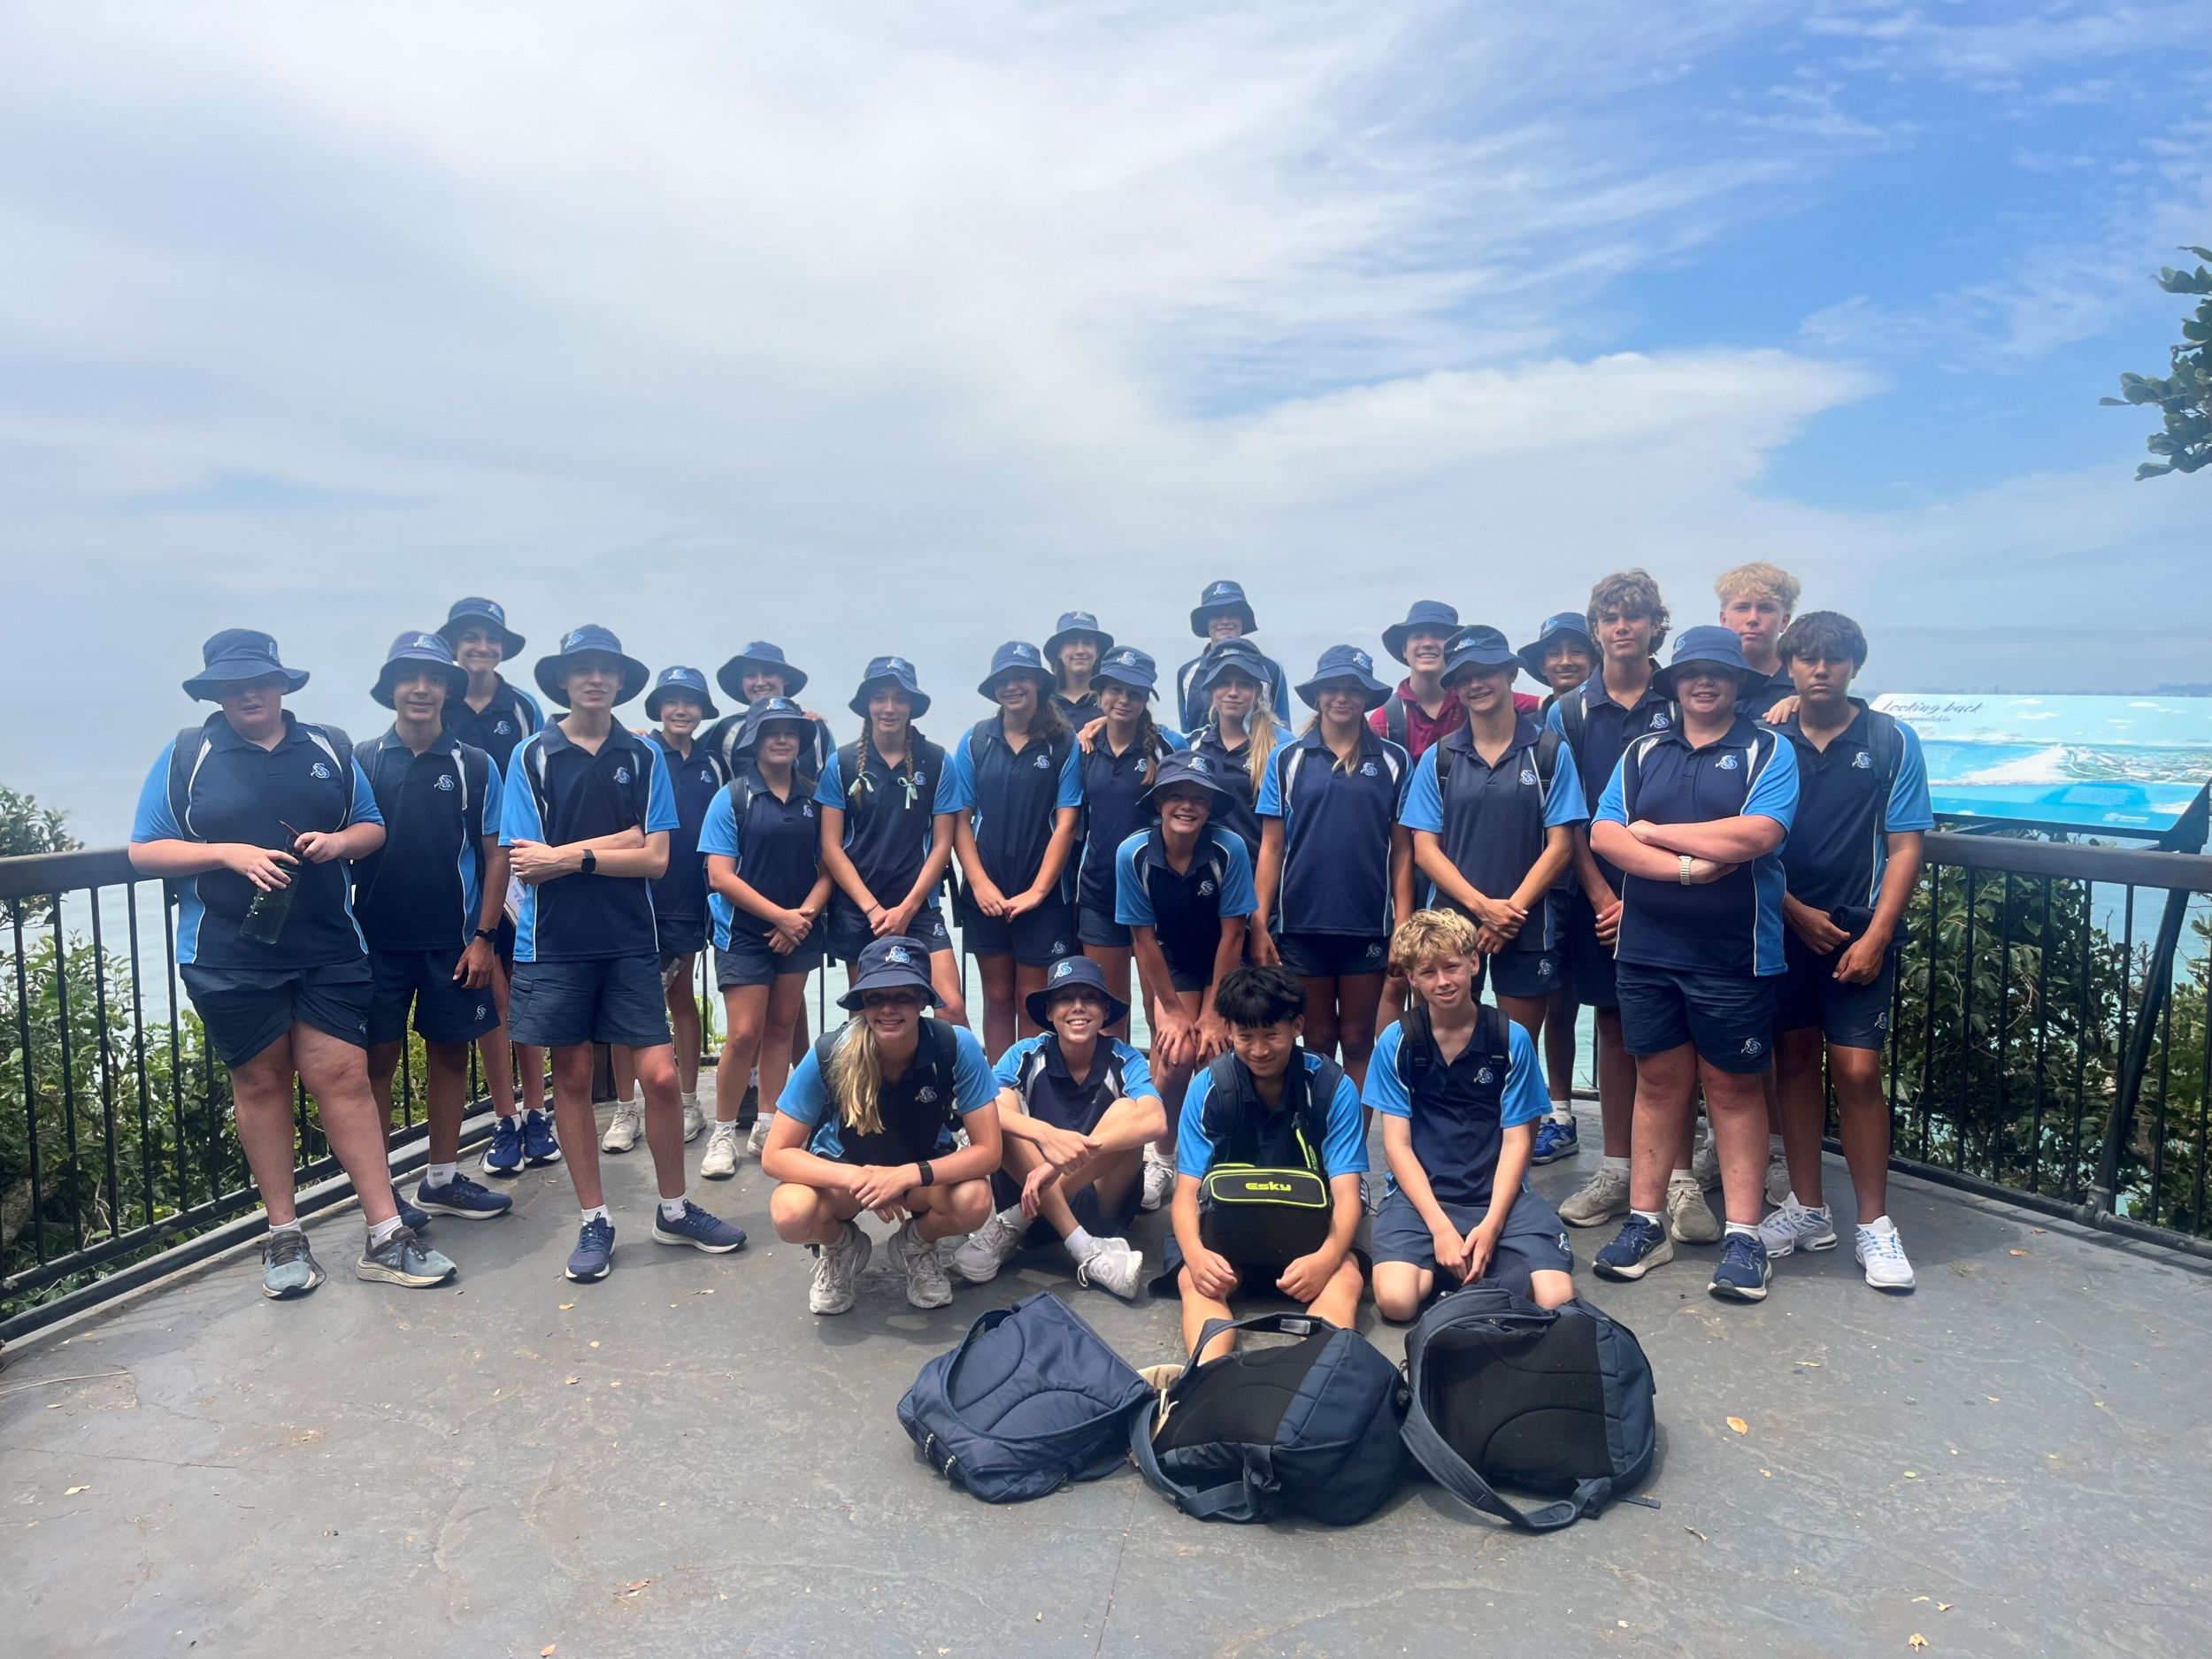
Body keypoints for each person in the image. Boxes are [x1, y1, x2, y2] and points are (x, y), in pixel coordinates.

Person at [128, 629, 457, 1296]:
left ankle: (387, 1233)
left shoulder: (329, 747)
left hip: (328, 945)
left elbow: (371, 825)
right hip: (227, 952)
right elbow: (145, 848)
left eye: (259, 681)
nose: (248, 693)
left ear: (282, 685)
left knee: (345, 1076)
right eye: (232, 685)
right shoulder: (188, 755)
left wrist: (338, 843)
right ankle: (283, 1234)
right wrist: (227, 854)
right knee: (261, 1083)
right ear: (215, 694)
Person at [501, 626, 746, 1282]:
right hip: (553, 943)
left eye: (605, 669)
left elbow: (657, 858)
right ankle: (595, 1220)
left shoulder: (642, 757)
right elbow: (526, 861)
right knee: (575, 1078)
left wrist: (572, 855)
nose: (595, 679)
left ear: (618, 681)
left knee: (661, 1077)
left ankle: (674, 1208)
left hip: (632, 939)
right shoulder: (531, 755)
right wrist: (618, 843)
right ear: (563, 680)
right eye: (582, 668)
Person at [1588, 626, 1799, 1303]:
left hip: (1735, 950)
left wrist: (1656, 833)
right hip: (1647, 948)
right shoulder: (1642, 751)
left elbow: (1759, 832)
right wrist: (1687, 868)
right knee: (1657, 1083)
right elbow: (1604, 834)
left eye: (1718, 672)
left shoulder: (1768, 749)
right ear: (1674, 683)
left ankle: (1745, 1236)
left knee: (1733, 1088)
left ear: (1739, 682)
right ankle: (1646, 1222)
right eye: (1691, 672)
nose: (1704, 682)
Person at [1759, 612, 1932, 1291]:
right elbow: (1750, 840)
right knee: (1795, 1058)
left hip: (1861, 932)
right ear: (1790, 666)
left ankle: (1874, 1223)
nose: (1820, 668)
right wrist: (1792, 911)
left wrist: (1878, 935)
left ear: (1854, 664)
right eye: (1807, 657)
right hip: (1784, 926)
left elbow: (1906, 844)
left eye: (1834, 657)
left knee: (1859, 1072)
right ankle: (1807, 1206)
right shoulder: (1769, 739)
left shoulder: (1890, 740)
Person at [354, 633, 514, 1228]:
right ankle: (380, 1193)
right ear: (390, 688)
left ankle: (442, 1179)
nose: (420, 689)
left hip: (455, 943)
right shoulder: (363, 760)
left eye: (433, 679)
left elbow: (496, 855)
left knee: (450, 1054)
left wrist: (485, 938)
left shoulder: (476, 765)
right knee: (376, 1062)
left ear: (448, 689)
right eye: (408, 678)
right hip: (375, 943)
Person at [762, 937, 1002, 1314]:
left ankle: (917, 1243)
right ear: (862, 1003)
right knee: (790, 1211)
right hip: (846, 1179)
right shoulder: (829, 1051)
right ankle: (841, 1245)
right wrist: (862, 1179)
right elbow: (775, 1154)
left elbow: (989, 1152)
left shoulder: (954, 1046)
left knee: (974, 1200)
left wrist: (905, 1176)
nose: (888, 1008)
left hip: (920, 1177)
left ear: (923, 1000)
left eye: (902, 996)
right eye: (876, 998)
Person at [1545, 571, 1678, 1233]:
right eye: (1611, 617)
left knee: (1678, 1033)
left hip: (1676, 892)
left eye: (1635, 616)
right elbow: (1564, 815)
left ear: (1657, 625)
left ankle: (1677, 1178)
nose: (1623, 627)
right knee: (1616, 1027)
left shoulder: (1680, 697)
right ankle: (1619, 1169)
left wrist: (1657, 889)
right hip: (1596, 898)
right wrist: (1602, 896)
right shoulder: (1568, 712)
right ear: (1597, 629)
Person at [1365, 910, 1576, 1320]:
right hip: (1423, 1195)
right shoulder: (1397, 1041)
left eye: (1452, 967)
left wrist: (1493, 1224)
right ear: (1411, 978)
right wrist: (1440, 1228)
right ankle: (1474, 1269)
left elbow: (1518, 1142)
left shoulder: (1509, 1039)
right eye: (1428, 973)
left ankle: (1477, 1262)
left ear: (1474, 963)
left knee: (1556, 1298)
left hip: (1496, 1192)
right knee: (1396, 1301)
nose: (1443, 982)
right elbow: (1397, 1146)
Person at [1163, 965, 1366, 1362]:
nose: (1259, 1050)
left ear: (1297, 1027)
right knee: (1195, 1281)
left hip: (1313, 1234)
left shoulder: (1332, 1087)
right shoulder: (1207, 1088)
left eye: (1271, 1035)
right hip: (1226, 1233)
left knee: (1346, 1276)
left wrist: (1326, 1259)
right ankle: (1207, 1375)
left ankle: (1319, 1377)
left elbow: (1347, 1193)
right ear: (1229, 1031)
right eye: (1245, 1036)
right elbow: (1186, 1191)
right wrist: (1196, 1255)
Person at [1398, 626, 1585, 1039]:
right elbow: (1425, 849)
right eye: (1464, 678)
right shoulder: (1439, 759)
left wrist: (1509, 913)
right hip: (1449, 923)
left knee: (1515, 1047)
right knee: (1444, 1046)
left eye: (1485, 672)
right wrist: (1483, 908)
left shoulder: (1549, 752)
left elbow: (1560, 846)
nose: (1475, 684)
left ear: (1511, 674)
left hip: (1528, 921)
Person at [949, 955, 1165, 1298]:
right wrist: (1044, 1134)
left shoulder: (1124, 1057)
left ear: (1106, 1010)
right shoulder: (1027, 1053)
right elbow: (977, 1106)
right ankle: (1083, 1247)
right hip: (1027, 1190)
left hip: (1091, 1205)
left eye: (1090, 997)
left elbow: (1156, 1120)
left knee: (1129, 1110)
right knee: (1001, 1099)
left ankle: (1012, 1223)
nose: (1078, 1007)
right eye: (1065, 998)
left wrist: (1057, 1164)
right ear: (1049, 1012)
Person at [1253, 646, 1414, 1094]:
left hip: (1368, 924)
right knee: (1317, 1039)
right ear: (1317, 695)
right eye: (1332, 688)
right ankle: (1321, 1134)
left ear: (1367, 698)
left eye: (1353, 689)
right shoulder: (1287, 759)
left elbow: (1403, 850)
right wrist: (1259, 923)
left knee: (1360, 1041)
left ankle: (1354, 1137)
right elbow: (1271, 847)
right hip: (1302, 923)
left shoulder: (1395, 760)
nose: (1342, 697)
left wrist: (1403, 925)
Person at [435, 596, 557, 1174]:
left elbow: (547, 768)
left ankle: (537, 1111)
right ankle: (504, 1117)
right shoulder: (442, 700)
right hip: (466, 866)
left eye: (490, 639)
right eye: (471, 638)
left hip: (521, 863)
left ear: (503, 648)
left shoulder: (524, 707)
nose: (481, 648)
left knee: (525, 989)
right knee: (491, 993)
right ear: (455, 646)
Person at [1114, 750, 1259, 1211]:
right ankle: (1160, 1156)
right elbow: (1142, 939)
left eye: (1199, 798)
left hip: (1224, 958)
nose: (1187, 805)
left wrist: (1214, 1015)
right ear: (1159, 803)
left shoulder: (1229, 849)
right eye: (1176, 795)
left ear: (1210, 807)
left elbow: (1233, 934)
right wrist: (1175, 1013)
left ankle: (1221, 1158)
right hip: (1172, 960)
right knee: (1176, 1054)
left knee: (1218, 1051)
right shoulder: (1133, 853)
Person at [697, 696, 834, 1180]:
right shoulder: (732, 797)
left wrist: (801, 919)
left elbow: (829, 867)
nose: (781, 739)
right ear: (754, 740)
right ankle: (722, 1132)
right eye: (771, 731)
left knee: (781, 1027)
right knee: (743, 1033)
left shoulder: (816, 798)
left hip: (799, 930)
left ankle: (769, 1124)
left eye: (790, 732)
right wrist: (781, 918)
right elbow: (720, 875)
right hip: (743, 934)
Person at [603, 666, 726, 1154]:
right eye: (672, 701)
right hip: (635, 897)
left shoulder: (714, 765)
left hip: (688, 901)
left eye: (691, 702)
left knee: (680, 996)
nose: (681, 710)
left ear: (702, 711)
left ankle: (690, 1102)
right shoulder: (638, 752)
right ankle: (625, 1109)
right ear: (658, 708)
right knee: (624, 1005)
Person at [817, 656, 970, 1036]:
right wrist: (872, 909)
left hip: (919, 908)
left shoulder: (938, 761)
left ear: (912, 705)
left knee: (951, 1008)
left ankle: (954, 1077)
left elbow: (942, 844)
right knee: (867, 1017)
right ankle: (870, 1080)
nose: (889, 708)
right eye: (880, 698)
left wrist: (907, 909)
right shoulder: (841, 763)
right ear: (867, 704)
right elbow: (831, 847)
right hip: (858, 909)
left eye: (899, 698)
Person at [945, 641, 1082, 1057]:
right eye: (1004, 680)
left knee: (1032, 999)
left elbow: (1066, 822)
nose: (1012, 686)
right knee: (998, 997)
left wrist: (1038, 891)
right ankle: (1000, 1089)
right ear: (994, 688)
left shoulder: (1064, 742)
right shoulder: (975, 740)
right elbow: (960, 819)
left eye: (1021, 677)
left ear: (1039, 683)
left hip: (1044, 896)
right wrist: (979, 884)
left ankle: (1032, 1083)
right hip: (987, 891)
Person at [1517, 611, 1600, 1144]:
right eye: (1554, 653)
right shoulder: (1535, 722)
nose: (1565, 661)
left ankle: (1627, 1127)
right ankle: (1558, 1111)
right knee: (1555, 1000)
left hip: (1610, 872)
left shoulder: (1604, 714)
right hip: (1553, 878)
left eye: (1576, 651)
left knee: (1612, 1007)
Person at [1073, 646, 1187, 1035]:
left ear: (1146, 699)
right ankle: (1115, 1079)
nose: (1123, 700)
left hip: (1158, 895)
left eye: (1134, 693)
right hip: (1099, 893)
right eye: (1115, 690)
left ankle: (1158, 1079)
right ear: (1099, 693)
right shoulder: (1084, 748)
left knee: (1161, 1012)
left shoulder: (1169, 746)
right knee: (1108, 1011)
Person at [1183, 638, 1287, 865]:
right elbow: (1149, 734)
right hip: (1204, 877)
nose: (1233, 692)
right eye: (1223, 683)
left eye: (1244, 684)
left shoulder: (1283, 747)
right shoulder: (1192, 746)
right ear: (1211, 689)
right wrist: (1105, 723)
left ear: (1257, 691)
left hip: (1259, 877)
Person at [705, 641, 834, 781]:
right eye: (751, 675)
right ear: (741, 684)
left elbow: (834, 784)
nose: (760, 682)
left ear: (785, 678)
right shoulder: (726, 729)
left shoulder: (815, 727)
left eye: (768, 673)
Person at [1173, 580, 1290, 733]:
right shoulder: (1186, 675)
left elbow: (1284, 730)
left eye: (1233, 613)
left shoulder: (1270, 669)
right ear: (1206, 622)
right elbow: (1186, 735)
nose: (1225, 621)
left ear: (1243, 620)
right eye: (1216, 614)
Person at [1371, 599, 1464, 758]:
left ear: (1453, 648)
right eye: (1417, 636)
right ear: (1404, 650)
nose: (1427, 643)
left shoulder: (1472, 706)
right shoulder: (1384, 721)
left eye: (1438, 636)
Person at [1716, 561, 1801, 719]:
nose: (1753, 619)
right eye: (1742, 608)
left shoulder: (1805, 685)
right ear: (1723, 619)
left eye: (1765, 608)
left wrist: (1811, 706)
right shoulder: (1702, 685)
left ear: (1784, 621)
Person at [1045, 610, 1113, 726]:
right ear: (1058, 652)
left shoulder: (1111, 700)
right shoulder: (1044, 701)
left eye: (1087, 643)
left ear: (1098, 651)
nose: (1080, 650)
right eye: (1072, 643)